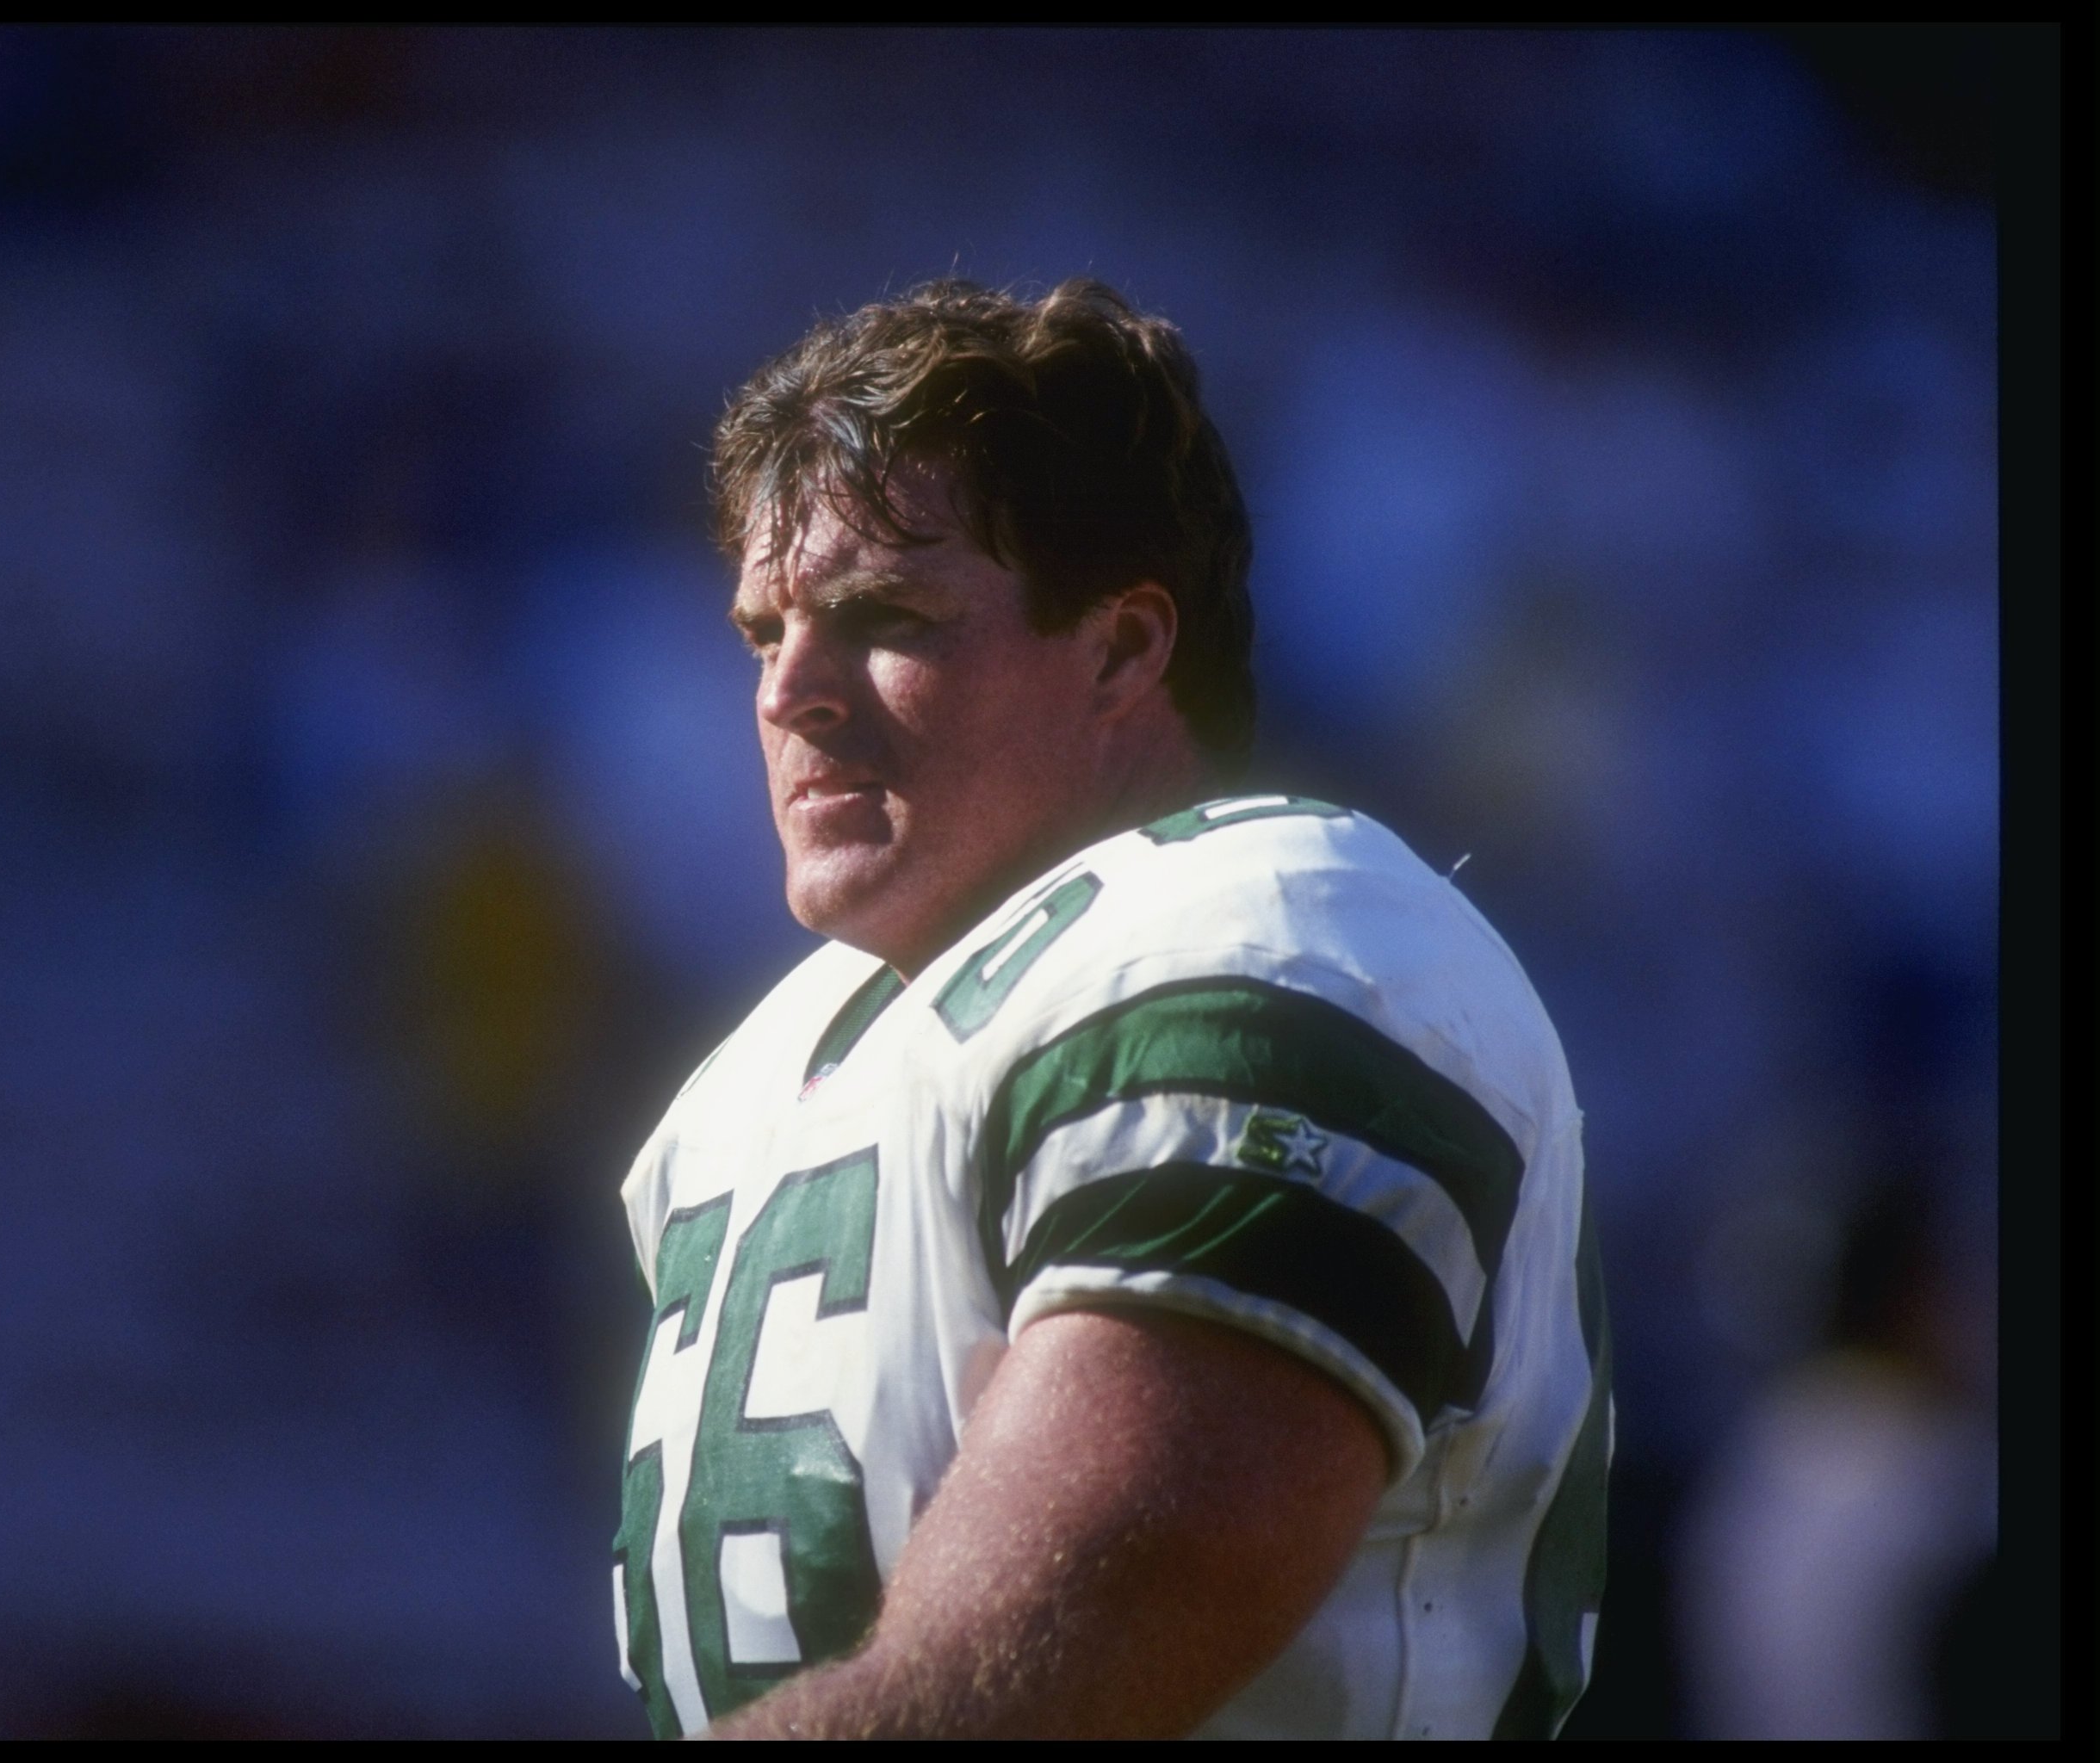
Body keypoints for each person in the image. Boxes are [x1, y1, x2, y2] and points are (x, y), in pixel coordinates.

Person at [609, 279, 1607, 1740]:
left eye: (887, 613)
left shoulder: (1267, 929)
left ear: (1128, 649)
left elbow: (1108, 1595)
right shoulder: (747, 1081)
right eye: (766, 632)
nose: (790, 694)